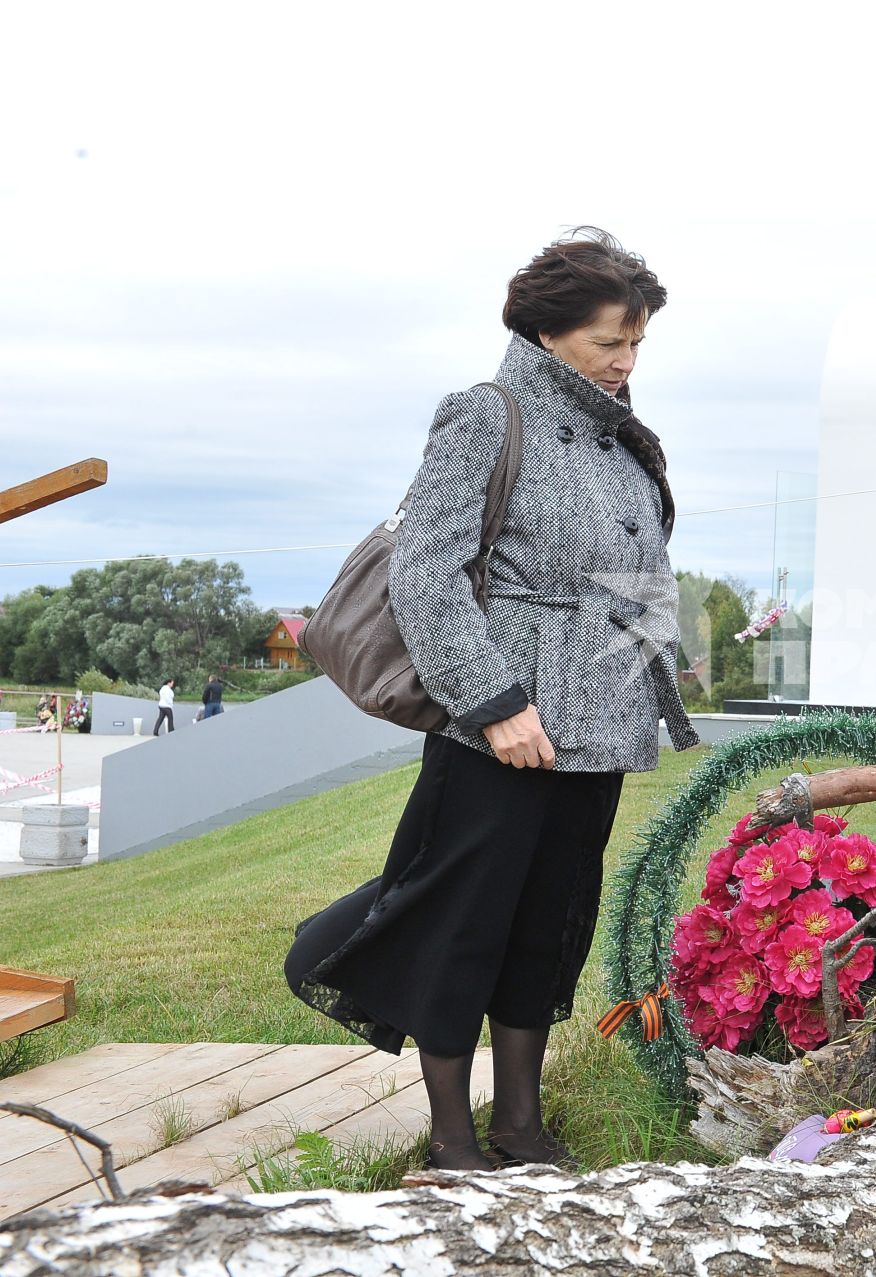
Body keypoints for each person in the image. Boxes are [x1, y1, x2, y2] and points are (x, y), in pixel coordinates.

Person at [285, 228, 698, 1172]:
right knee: (462, 924)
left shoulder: (616, 433)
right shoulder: (485, 415)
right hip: (501, 730)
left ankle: (521, 1123)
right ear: (550, 333)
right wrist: (493, 702)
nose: (627, 362)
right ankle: (452, 1135)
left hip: (599, 722)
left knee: (548, 925)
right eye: (610, 342)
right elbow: (425, 578)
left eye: (638, 343)